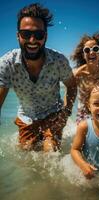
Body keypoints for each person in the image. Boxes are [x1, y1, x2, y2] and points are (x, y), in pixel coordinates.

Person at [0, 3, 77, 151]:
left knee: (51, 150)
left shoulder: (59, 61)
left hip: (53, 113)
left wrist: (66, 113)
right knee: (26, 154)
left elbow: (72, 86)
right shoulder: (7, 64)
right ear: (18, 36)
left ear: (46, 36)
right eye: (26, 34)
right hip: (26, 117)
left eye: (39, 34)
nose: (32, 40)